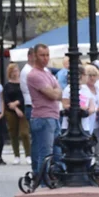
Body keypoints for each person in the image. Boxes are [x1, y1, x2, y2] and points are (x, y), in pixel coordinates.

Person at [26, 43, 64, 185]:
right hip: (43, 117)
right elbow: (53, 94)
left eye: (47, 55)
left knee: (57, 151)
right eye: (42, 55)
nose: (45, 58)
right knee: (45, 152)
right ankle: (42, 181)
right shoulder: (34, 75)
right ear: (35, 56)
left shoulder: (47, 73)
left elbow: (59, 91)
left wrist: (56, 91)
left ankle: (54, 178)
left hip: (53, 116)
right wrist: (55, 91)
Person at [4, 63, 31, 164]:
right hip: (11, 111)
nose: (16, 73)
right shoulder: (7, 85)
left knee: (24, 133)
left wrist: (17, 103)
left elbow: (25, 95)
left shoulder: (23, 83)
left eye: (17, 70)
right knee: (13, 133)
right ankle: (16, 155)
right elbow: (6, 98)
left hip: (23, 109)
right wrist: (15, 108)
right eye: (13, 71)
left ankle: (28, 155)